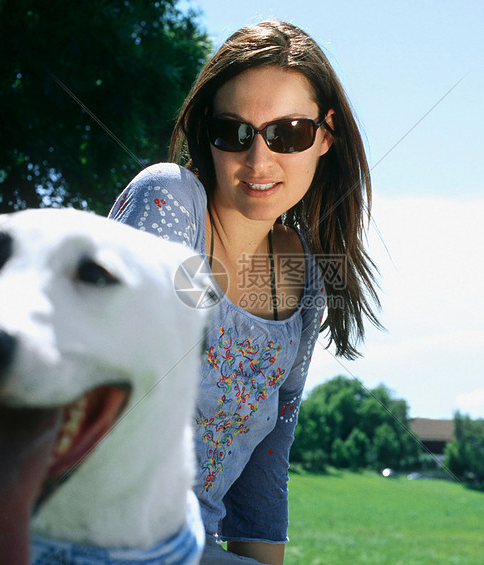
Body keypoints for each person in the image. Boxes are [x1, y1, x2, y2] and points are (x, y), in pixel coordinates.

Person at [109, 20, 380, 565]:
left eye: (288, 133)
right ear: (206, 133)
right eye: (234, 132)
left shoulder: (306, 283)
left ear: (325, 136)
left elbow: (267, 464)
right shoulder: (170, 203)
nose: (259, 162)